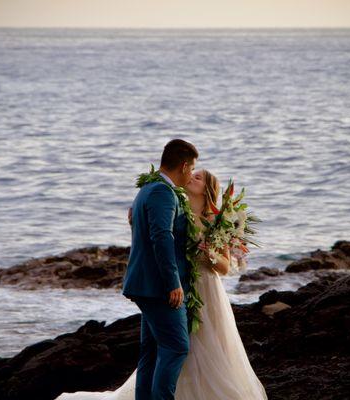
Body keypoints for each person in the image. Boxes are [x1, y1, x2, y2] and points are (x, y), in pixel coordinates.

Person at [56, 166, 268, 400]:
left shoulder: (216, 221)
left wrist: (209, 253)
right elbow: (159, 238)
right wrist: (135, 222)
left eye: (198, 178)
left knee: (205, 342)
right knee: (174, 345)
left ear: (207, 189)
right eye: (192, 173)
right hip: (178, 285)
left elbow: (225, 267)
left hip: (206, 288)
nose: (191, 177)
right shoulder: (179, 210)